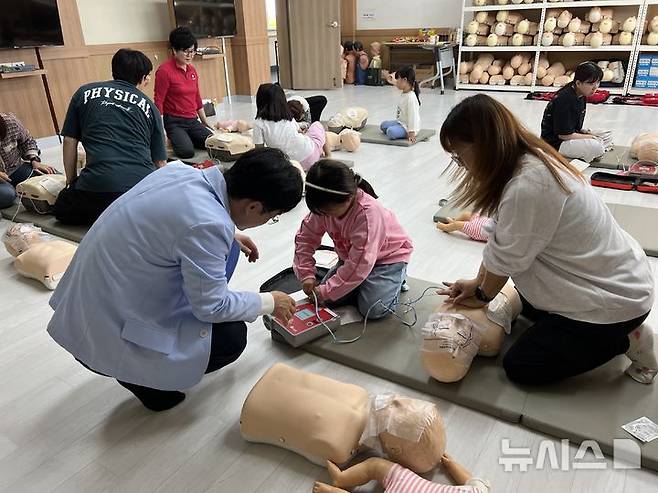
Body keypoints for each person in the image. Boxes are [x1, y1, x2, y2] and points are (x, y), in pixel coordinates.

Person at [47, 148, 303, 412]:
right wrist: (271, 301)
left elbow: (173, 225)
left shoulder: (179, 171)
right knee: (231, 337)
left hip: (85, 307)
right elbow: (213, 307)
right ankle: (143, 379)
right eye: (271, 217)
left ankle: (146, 358)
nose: (269, 221)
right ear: (253, 207)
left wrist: (229, 236)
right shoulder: (208, 225)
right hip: (107, 333)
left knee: (231, 250)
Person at [439, 94, 656, 385]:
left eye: (460, 155)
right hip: (606, 279)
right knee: (528, 300)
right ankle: (602, 331)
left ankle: (626, 339)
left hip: (616, 298)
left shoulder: (529, 184)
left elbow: (506, 260)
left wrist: (482, 295)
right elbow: (499, 241)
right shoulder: (523, 162)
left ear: (483, 146)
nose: (460, 163)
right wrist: (477, 284)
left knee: (521, 367)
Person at [53, 48, 166, 226]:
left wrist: (71, 182)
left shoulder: (83, 93)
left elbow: (69, 141)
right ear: (143, 78)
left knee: (61, 207)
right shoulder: (150, 107)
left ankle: (110, 217)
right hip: (140, 193)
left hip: (96, 189)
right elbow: (160, 163)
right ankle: (128, 217)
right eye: (149, 76)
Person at [293, 159, 413, 319]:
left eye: (327, 212)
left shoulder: (367, 215)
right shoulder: (323, 207)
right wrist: (306, 274)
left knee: (373, 310)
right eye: (320, 212)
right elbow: (305, 239)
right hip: (352, 258)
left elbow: (360, 264)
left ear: (349, 198)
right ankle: (362, 284)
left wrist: (328, 290)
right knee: (327, 300)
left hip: (387, 259)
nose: (323, 216)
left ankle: (398, 277)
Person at [154, 27, 213, 159]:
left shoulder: (192, 70)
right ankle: (179, 138)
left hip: (192, 120)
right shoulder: (164, 71)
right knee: (187, 152)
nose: (189, 55)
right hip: (174, 121)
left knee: (213, 143)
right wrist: (162, 129)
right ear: (174, 51)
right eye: (185, 51)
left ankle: (186, 138)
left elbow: (197, 97)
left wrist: (205, 121)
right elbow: (159, 101)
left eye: (192, 51)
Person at [253, 83, 330, 171]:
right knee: (317, 125)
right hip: (311, 156)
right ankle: (328, 155)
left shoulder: (258, 123)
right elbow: (300, 132)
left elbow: (259, 151)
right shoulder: (287, 117)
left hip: (289, 166)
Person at [541, 61, 606, 163]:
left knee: (605, 135)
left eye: (597, 82)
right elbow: (563, 135)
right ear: (578, 83)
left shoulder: (581, 93)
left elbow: (573, 126)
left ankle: (588, 151)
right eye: (591, 83)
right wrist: (589, 137)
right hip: (555, 144)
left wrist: (586, 133)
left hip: (567, 136)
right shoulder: (565, 99)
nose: (595, 87)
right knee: (596, 146)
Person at [0, 113, 57, 209]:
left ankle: (14, 187)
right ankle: (12, 189)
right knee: (8, 195)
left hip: (15, 168)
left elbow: (27, 141)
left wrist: (34, 160)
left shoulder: (10, 122)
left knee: (53, 177)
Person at [380, 66, 421, 143]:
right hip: (401, 122)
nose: (396, 82)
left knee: (390, 132)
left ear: (404, 80)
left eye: (398, 79)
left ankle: (403, 132)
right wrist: (387, 76)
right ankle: (398, 129)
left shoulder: (411, 97)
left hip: (408, 127)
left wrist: (411, 132)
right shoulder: (405, 90)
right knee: (383, 125)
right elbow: (395, 82)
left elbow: (413, 116)